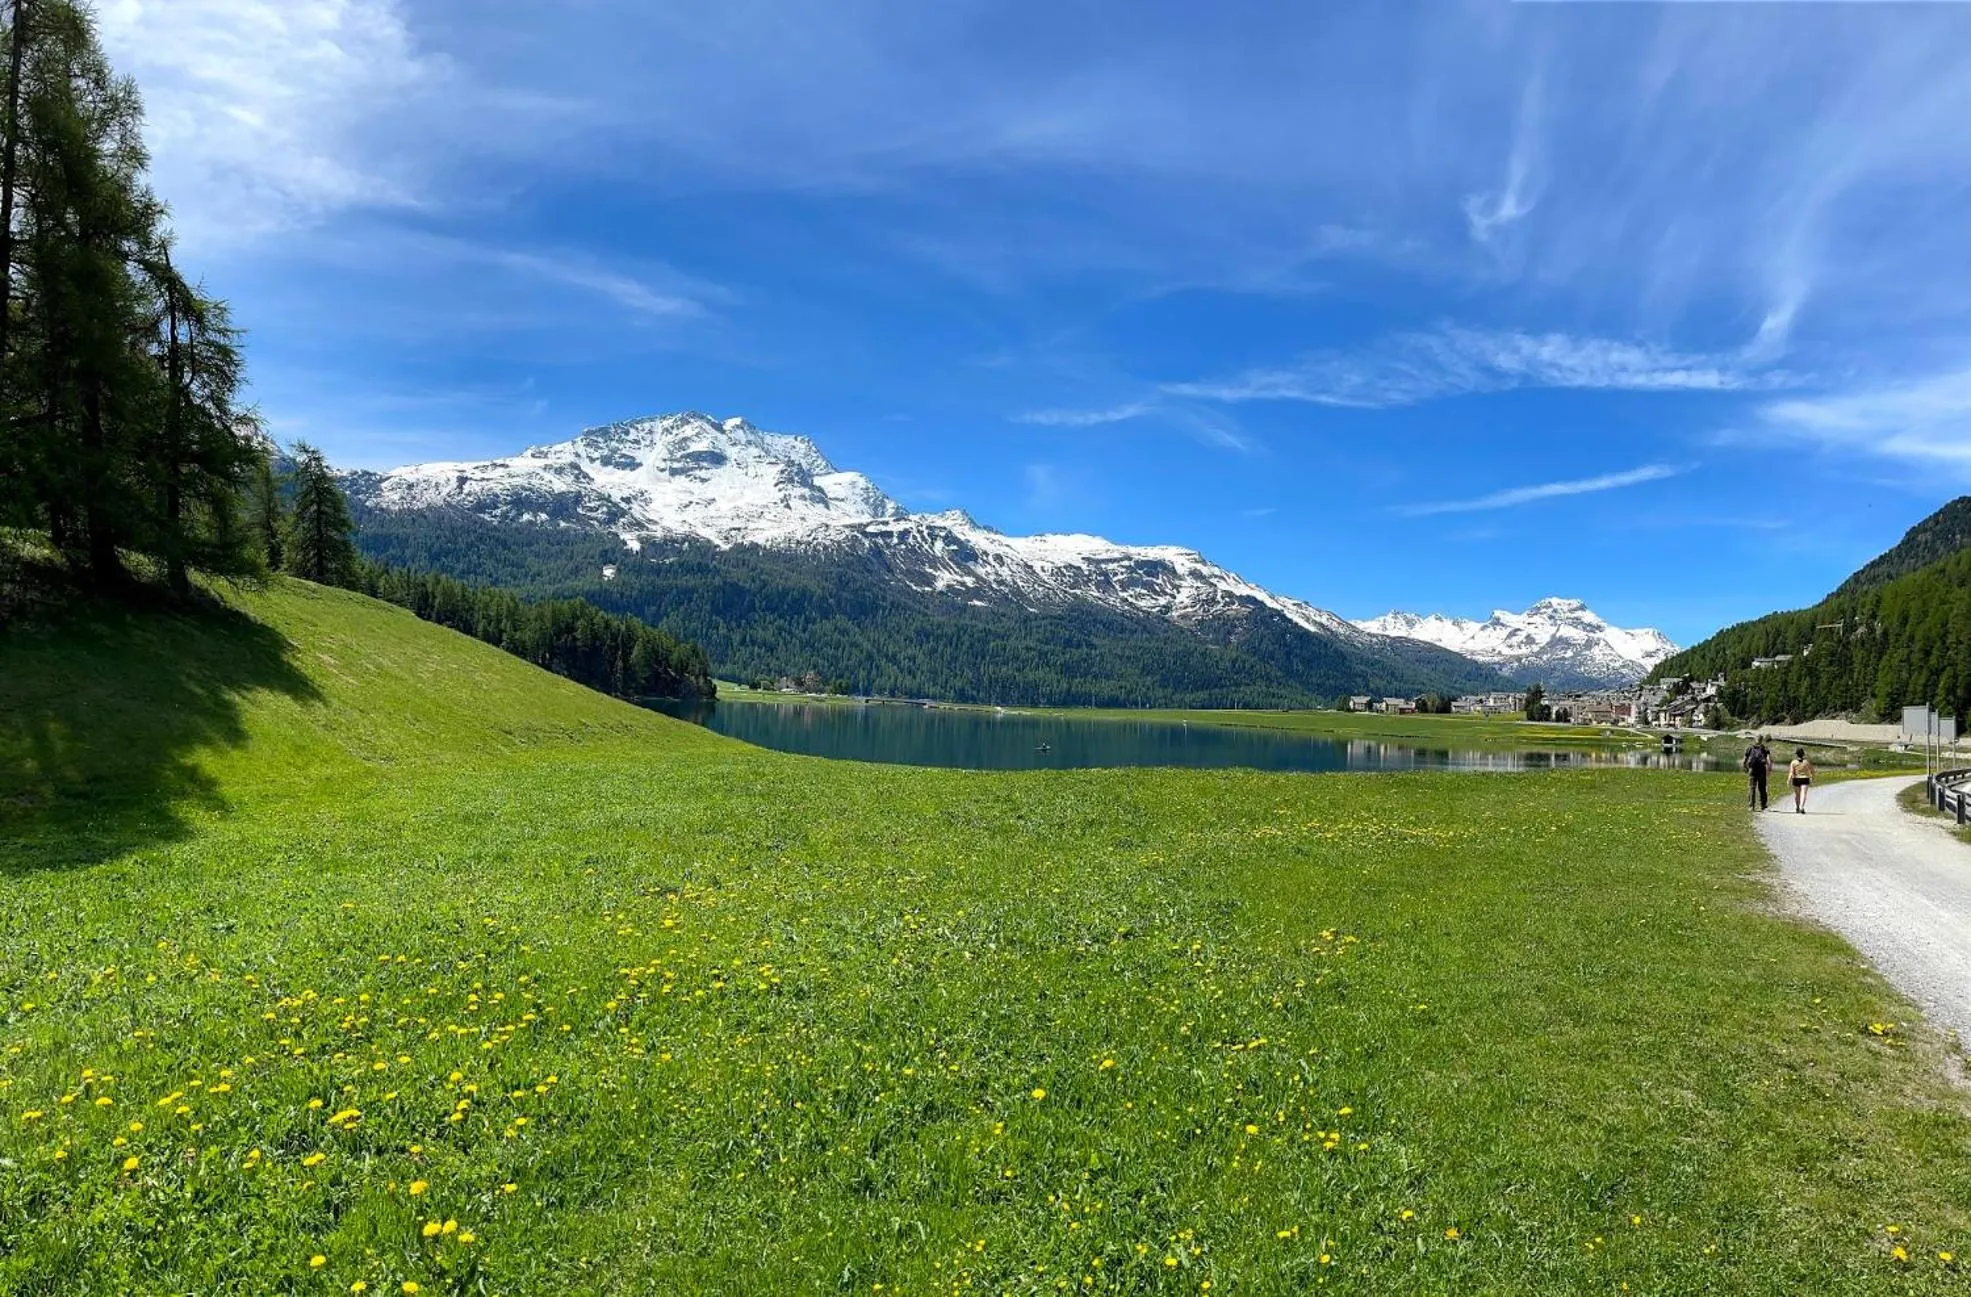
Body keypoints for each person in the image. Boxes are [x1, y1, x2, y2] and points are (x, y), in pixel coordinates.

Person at [1742, 736, 1771, 811]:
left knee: (1752, 787)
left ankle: (1751, 806)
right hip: (1762, 770)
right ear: (1761, 740)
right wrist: (1769, 767)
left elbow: (1745, 759)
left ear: (1755, 740)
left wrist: (1745, 766)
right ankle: (1763, 805)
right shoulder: (1764, 748)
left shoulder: (1750, 747)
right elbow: (1768, 758)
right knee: (1762, 788)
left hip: (1752, 770)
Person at [1789, 748, 1815, 814]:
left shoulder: (1793, 762)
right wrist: (1812, 777)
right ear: (1803, 754)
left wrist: (1788, 779)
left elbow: (1791, 772)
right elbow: (1812, 770)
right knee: (1804, 793)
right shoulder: (1806, 762)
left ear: (1796, 755)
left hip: (1796, 779)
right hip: (1805, 779)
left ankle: (1797, 807)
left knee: (1797, 794)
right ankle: (1802, 807)